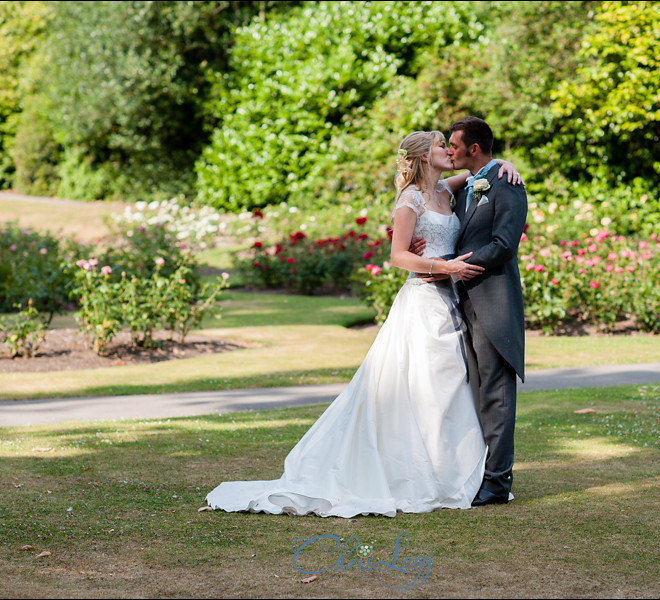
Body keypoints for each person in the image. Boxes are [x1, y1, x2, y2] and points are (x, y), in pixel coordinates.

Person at [205, 130, 521, 517]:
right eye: (441, 146)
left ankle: (447, 471)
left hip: (448, 301)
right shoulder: (410, 199)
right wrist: (445, 266)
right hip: (421, 300)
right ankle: (414, 473)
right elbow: (398, 256)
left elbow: (483, 172)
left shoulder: (448, 191)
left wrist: (505, 164)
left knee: (446, 386)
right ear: (424, 157)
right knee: (422, 385)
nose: (448, 152)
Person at [442, 116, 528, 506]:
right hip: (458, 303)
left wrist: (461, 264)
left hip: (492, 301)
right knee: (469, 392)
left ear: (473, 148)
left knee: (496, 391)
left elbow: (505, 243)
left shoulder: (508, 185)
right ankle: (473, 472)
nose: (449, 151)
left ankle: (497, 481)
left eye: (454, 145)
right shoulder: (463, 186)